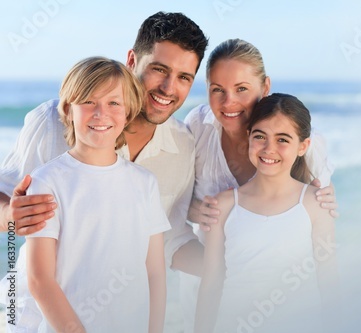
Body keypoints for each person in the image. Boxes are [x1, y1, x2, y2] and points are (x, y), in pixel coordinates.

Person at [0, 11, 208, 276]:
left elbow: (169, 238)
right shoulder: (53, 121)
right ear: (132, 60)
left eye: (184, 77)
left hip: (117, 312)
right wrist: (8, 215)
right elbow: (5, 197)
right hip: (39, 310)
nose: (168, 88)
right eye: (159, 69)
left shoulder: (183, 147)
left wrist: (231, 270)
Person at [181, 38, 336, 332]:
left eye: (241, 88)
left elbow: (319, 222)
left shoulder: (306, 143)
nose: (229, 103)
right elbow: (172, 193)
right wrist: (190, 208)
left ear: (265, 87)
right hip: (209, 294)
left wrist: (326, 199)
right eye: (218, 90)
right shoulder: (198, 128)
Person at [6, 57, 170, 333]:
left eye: (114, 103)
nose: (100, 113)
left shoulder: (145, 183)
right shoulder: (46, 181)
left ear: (128, 112)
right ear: (68, 110)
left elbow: (154, 271)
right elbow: (39, 279)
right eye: (89, 102)